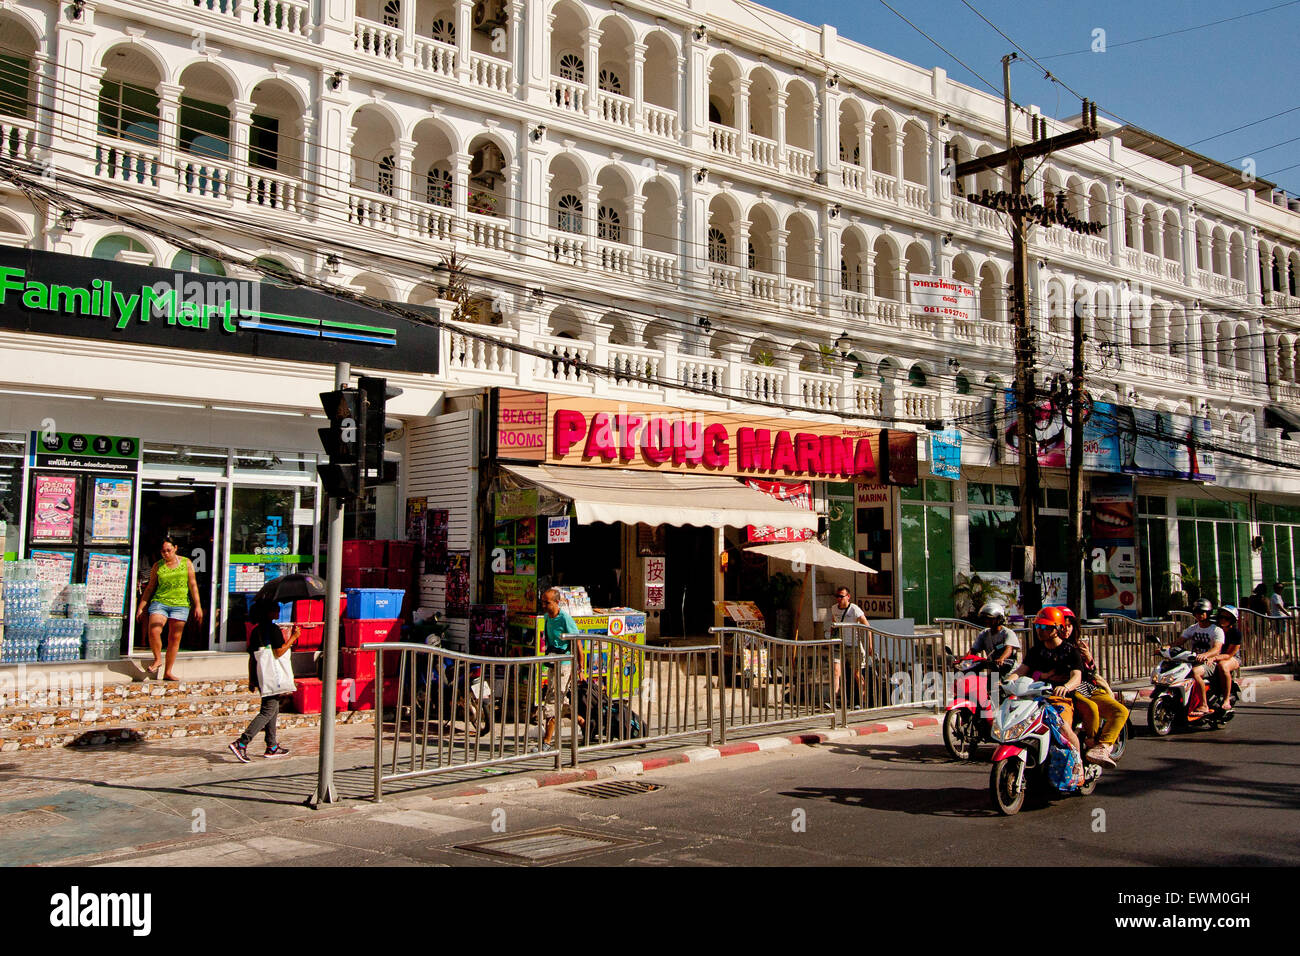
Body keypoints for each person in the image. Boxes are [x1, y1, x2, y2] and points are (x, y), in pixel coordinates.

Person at [1010, 606, 1084, 755]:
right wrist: (1007, 681)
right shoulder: (1035, 651)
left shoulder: (1070, 651)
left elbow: (1077, 676)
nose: (1040, 630)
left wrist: (1066, 687)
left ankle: (1078, 763)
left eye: (1045, 626)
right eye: (1038, 626)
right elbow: (1021, 671)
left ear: (1057, 628)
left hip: (1060, 699)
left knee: (1064, 730)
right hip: (1034, 700)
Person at [229, 601, 297, 762]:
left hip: (262, 676)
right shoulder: (274, 630)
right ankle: (242, 742)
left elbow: (252, 658)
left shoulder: (256, 631)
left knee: (272, 710)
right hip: (274, 677)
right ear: (268, 612)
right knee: (268, 710)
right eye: (275, 609)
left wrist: (252, 679)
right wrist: (293, 637)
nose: (278, 611)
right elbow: (279, 652)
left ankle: (271, 745)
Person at [1061, 607, 1128, 768]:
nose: (1066, 630)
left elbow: (1091, 672)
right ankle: (1091, 741)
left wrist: (1089, 658)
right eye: (1063, 626)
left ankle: (1102, 747)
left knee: (1121, 711)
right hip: (1070, 691)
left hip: (1089, 688)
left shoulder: (1078, 647)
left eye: (1069, 626)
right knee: (1091, 708)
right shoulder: (1050, 648)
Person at [135, 536, 203, 681]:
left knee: (174, 638)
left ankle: (168, 671)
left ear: (175, 548)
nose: (166, 554)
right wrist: (141, 607)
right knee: (154, 629)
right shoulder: (158, 566)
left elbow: (192, 585)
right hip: (160, 602)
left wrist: (197, 605)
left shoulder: (186, 563)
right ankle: (158, 659)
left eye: (169, 550)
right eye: (163, 551)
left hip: (180, 604)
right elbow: (150, 588)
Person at [1173, 598, 1224, 719]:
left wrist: (1206, 655)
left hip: (1210, 662)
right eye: (1196, 612)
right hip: (1193, 661)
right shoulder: (1193, 628)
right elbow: (1179, 641)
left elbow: (1217, 649)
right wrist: (1166, 648)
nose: (1199, 615)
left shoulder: (1216, 630)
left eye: (1202, 612)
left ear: (1208, 613)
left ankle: (1204, 705)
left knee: (1195, 673)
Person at [540, 588, 579, 747]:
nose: (544, 605)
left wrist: (580, 668)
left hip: (565, 664)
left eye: (547, 602)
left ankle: (547, 742)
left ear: (557, 602)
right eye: (542, 602)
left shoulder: (565, 618)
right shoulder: (546, 618)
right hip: (552, 662)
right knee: (560, 699)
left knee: (553, 700)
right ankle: (582, 722)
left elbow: (578, 642)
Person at [826, 587, 870, 707]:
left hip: (853, 645)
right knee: (836, 672)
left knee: (856, 673)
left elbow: (867, 627)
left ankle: (863, 698)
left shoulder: (855, 609)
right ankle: (833, 700)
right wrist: (831, 638)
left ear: (848, 597)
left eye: (841, 596)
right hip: (839, 644)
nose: (839, 599)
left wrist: (870, 646)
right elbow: (834, 622)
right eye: (837, 596)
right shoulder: (834, 608)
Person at [969, 601, 1020, 670]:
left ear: (999, 618)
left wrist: (1002, 659)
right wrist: (966, 659)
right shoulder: (984, 634)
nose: (987, 621)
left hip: (1009, 670)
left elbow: (1009, 648)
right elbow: (974, 650)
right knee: (990, 680)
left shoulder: (1008, 633)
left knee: (1006, 681)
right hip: (994, 669)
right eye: (985, 618)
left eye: (990, 619)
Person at [1212, 605, 1243, 712]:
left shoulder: (1235, 633)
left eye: (1227, 618)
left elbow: (1229, 655)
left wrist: (1214, 658)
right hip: (1213, 656)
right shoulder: (1214, 629)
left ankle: (1226, 699)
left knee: (1223, 665)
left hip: (1232, 658)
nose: (1223, 620)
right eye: (1221, 617)